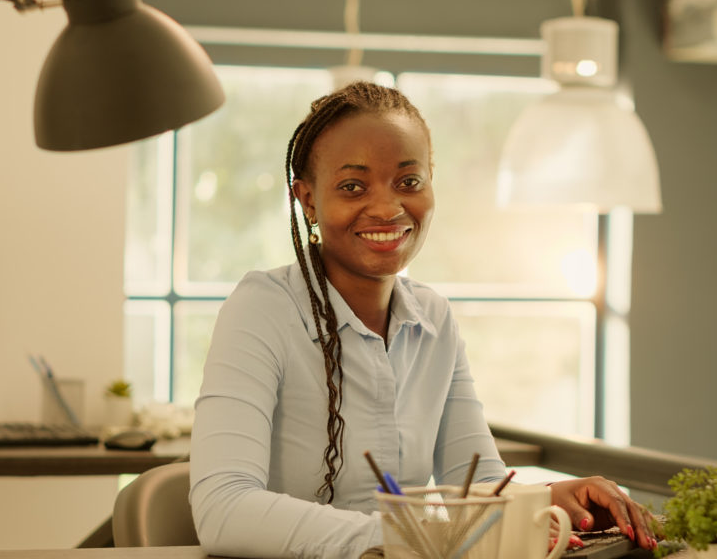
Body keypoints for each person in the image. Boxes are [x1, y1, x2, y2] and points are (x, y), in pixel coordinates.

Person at [189, 81, 658, 558]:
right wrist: (412, 538)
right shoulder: (262, 308)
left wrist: (546, 502)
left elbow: (474, 484)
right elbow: (223, 509)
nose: (388, 208)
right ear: (307, 199)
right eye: (352, 186)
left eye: (409, 182)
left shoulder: (434, 319)